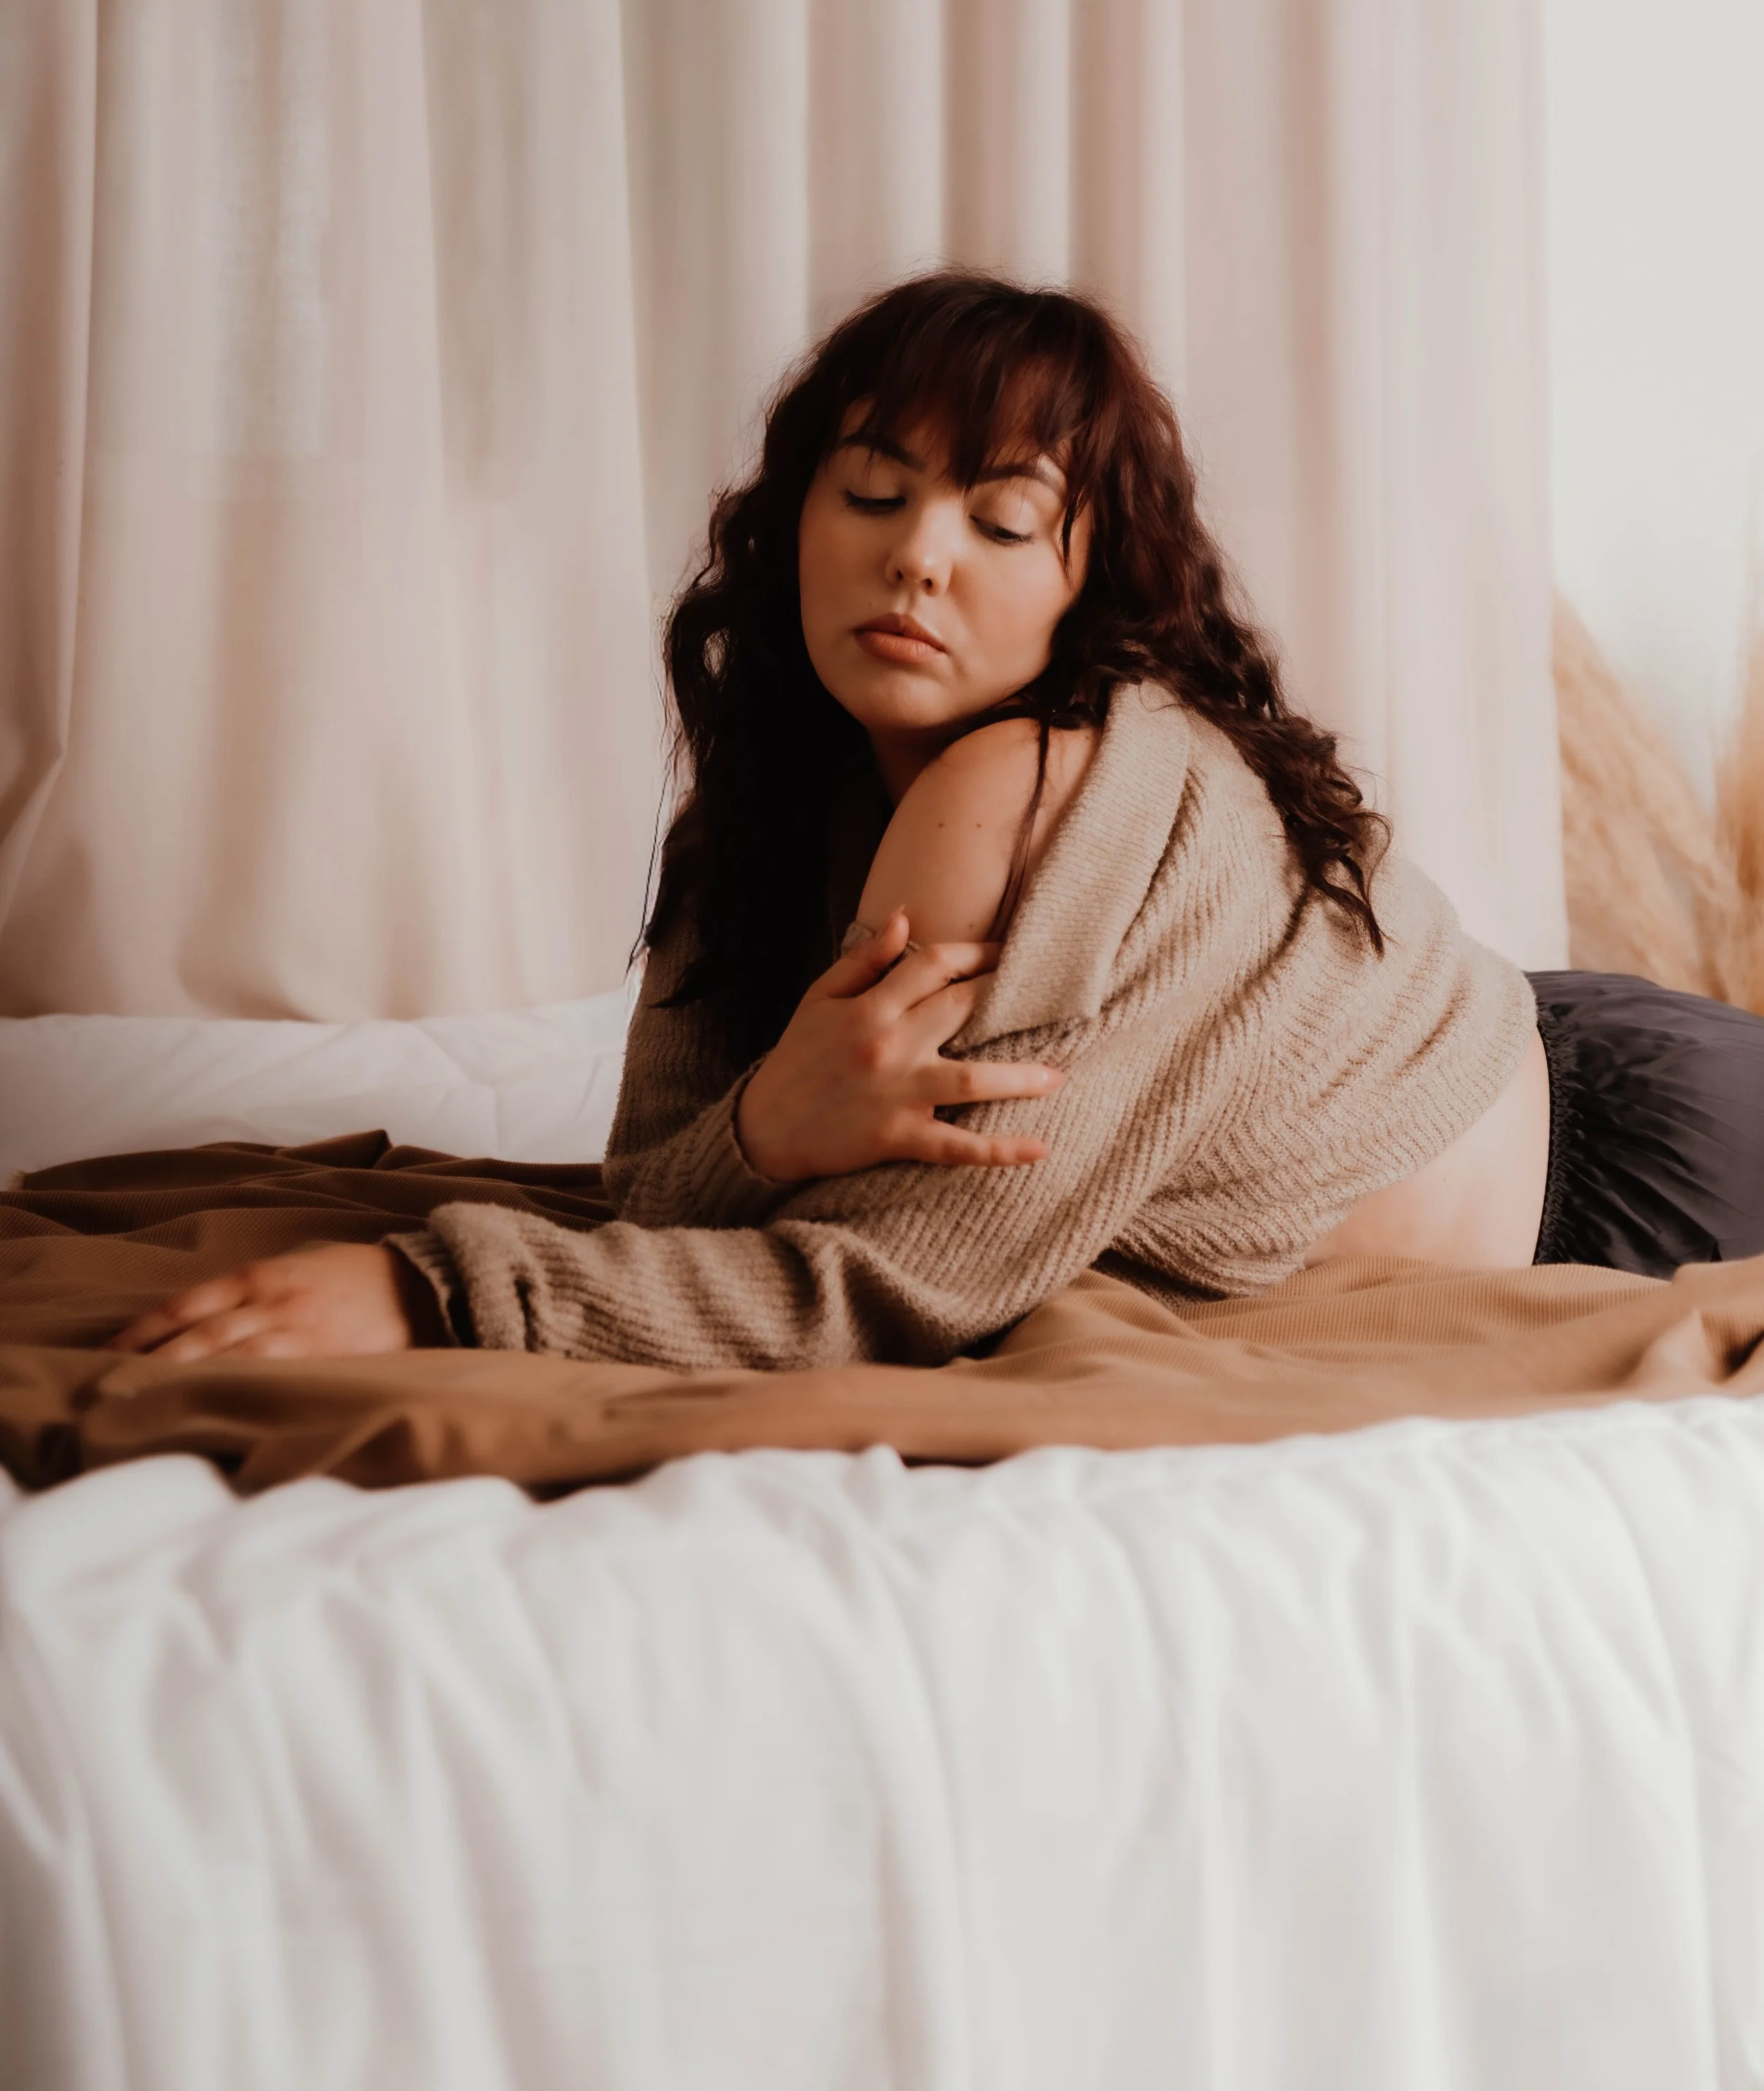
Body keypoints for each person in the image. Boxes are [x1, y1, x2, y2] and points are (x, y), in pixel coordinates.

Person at [110, 272, 1764, 1369]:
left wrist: (435, 1298)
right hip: (1538, 1039)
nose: (919, 557)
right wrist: (767, 1126)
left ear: (1084, 580)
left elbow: (895, 1284)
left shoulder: (1046, 791)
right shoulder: (763, 801)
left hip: (1634, 1168)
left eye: (1002, 518)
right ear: (795, 518)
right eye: (877, 490)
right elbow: (657, 1185)